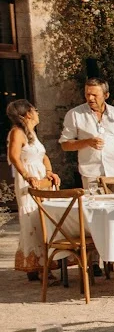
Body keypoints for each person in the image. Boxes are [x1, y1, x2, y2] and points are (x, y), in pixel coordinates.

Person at [8, 99, 58, 278]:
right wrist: (26, 175)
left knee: (43, 218)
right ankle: (38, 265)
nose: (38, 113)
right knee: (33, 220)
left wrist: (50, 172)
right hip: (29, 179)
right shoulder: (17, 133)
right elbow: (14, 157)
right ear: (28, 113)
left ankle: (42, 263)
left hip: (41, 177)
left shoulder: (32, 134)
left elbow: (42, 156)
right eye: (35, 110)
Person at [59, 76, 114, 188]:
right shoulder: (75, 114)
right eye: (87, 94)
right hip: (91, 176)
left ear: (106, 95)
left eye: (95, 95)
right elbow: (65, 145)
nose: (90, 98)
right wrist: (87, 142)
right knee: (94, 205)